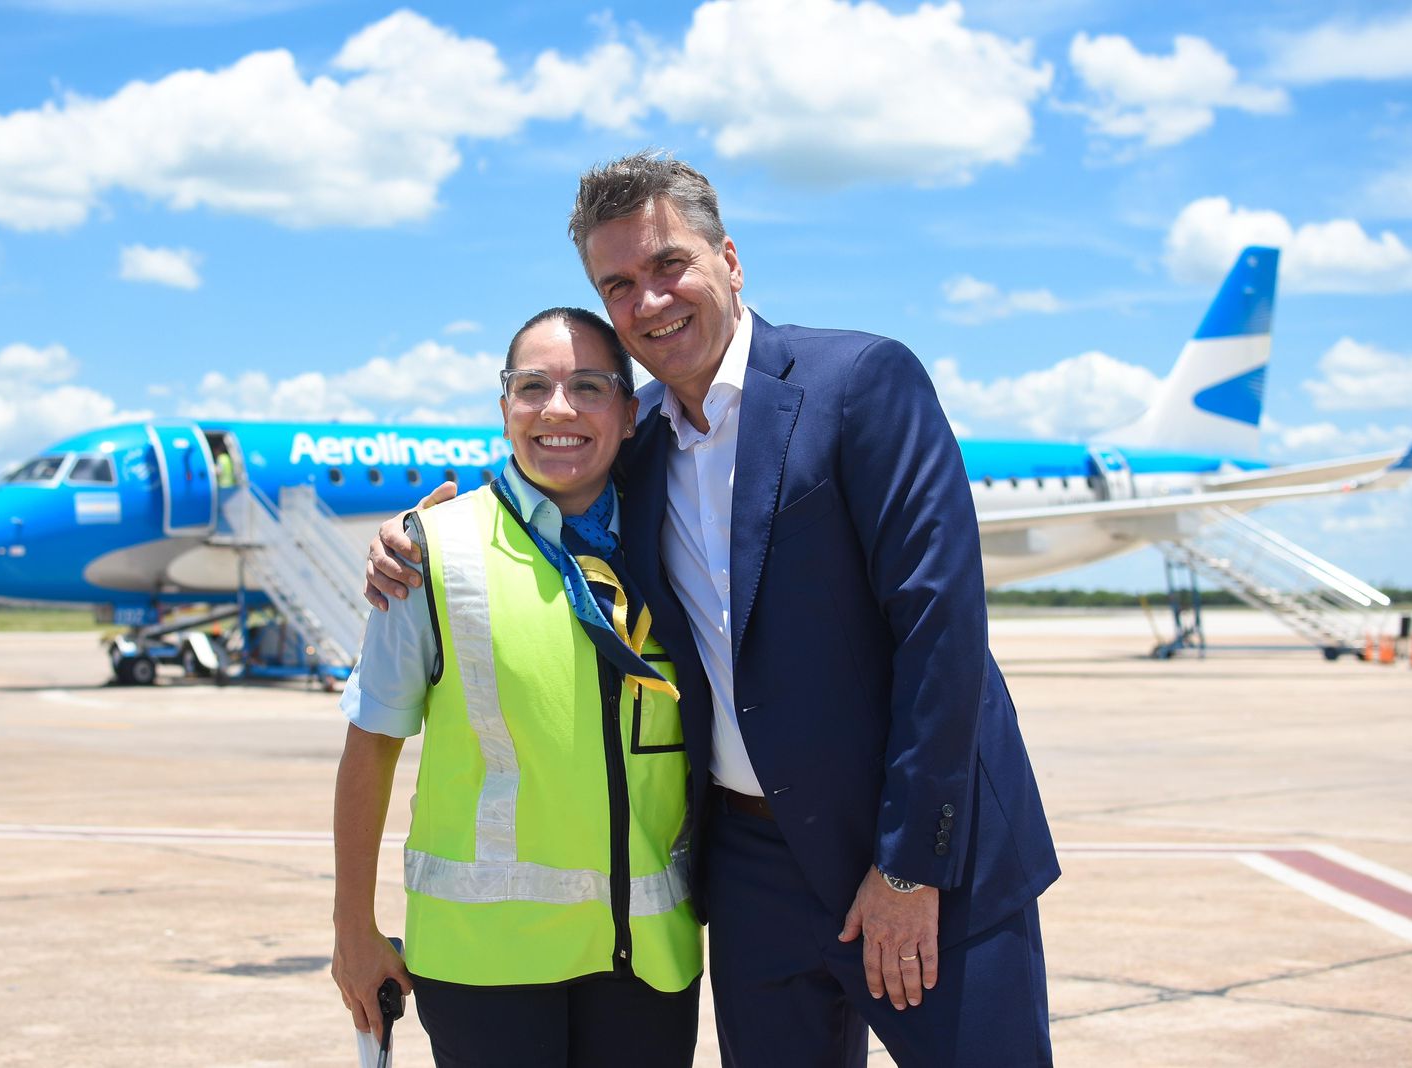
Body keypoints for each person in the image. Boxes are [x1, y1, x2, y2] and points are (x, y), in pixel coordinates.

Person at [368, 154, 1060, 1067]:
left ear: (729, 260)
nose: (650, 301)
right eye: (618, 284)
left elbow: (943, 632)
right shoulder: (636, 438)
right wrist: (411, 538)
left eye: (668, 265)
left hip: (919, 858)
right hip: (752, 873)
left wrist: (909, 867)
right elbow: (536, 494)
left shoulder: (860, 383)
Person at [332, 306, 705, 1068]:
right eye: (532, 387)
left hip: (648, 964)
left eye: (589, 387)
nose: (558, 409)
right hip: (485, 966)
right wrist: (353, 931)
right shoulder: (431, 553)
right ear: (504, 409)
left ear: (629, 414)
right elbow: (370, 746)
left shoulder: (683, 546)